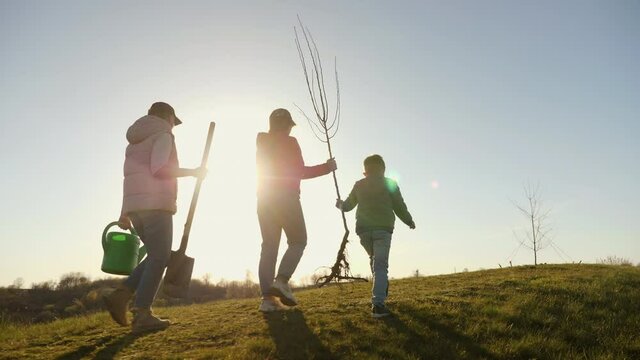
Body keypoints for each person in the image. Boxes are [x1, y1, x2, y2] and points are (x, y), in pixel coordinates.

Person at [103, 102, 206, 333]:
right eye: (173, 121)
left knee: (155, 257)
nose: (173, 125)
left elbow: (129, 178)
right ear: (168, 117)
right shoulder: (163, 135)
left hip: (136, 208)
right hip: (156, 205)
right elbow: (158, 169)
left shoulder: (135, 142)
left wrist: (125, 212)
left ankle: (121, 296)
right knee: (160, 258)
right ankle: (142, 314)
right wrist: (193, 172)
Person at [256, 108, 337, 312]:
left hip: (264, 199)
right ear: (287, 125)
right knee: (298, 240)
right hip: (287, 198)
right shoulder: (290, 142)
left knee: (269, 248)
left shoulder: (262, 142)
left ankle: (267, 300)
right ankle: (281, 281)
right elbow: (299, 172)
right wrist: (327, 168)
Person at [336, 154, 415, 318]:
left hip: (363, 231)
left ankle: (381, 288)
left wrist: (340, 204)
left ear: (365, 170)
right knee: (380, 265)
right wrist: (409, 221)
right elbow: (399, 206)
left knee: (374, 261)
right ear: (382, 168)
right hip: (383, 230)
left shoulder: (359, 185)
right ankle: (378, 304)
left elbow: (348, 205)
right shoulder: (389, 184)